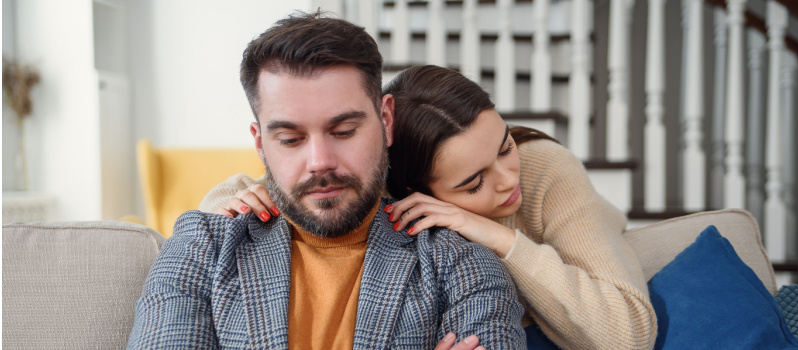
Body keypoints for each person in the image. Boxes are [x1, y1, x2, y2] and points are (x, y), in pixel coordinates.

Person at [127, 12, 525, 350]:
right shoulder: (201, 249)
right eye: (291, 139)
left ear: (386, 121)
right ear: (260, 143)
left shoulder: (461, 265)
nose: (320, 162)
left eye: (344, 131)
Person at [202, 65, 659, 350]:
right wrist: (231, 201)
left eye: (504, 147)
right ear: (414, 193)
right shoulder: (386, 197)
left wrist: (497, 235)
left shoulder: (542, 168)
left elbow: (628, 334)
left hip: (593, 285)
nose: (507, 180)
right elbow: (247, 191)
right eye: (474, 182)